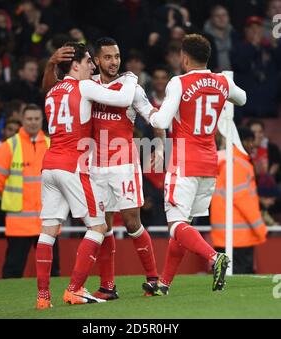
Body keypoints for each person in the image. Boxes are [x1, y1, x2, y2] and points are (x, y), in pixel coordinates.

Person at [143, 34, 246, 296]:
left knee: (176, 224)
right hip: (209, 163)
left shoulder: (179, 82)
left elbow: (162, 121)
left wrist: (148, 111)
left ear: (185, 57)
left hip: (184, 162)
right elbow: (242, 98)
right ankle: (164, 284)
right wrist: (225, 90)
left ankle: (214, 258)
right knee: (184, 224)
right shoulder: (222, 81)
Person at [37, 42, 138, 309]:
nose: (93, 67)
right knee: (99, 227)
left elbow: (48, 86)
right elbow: (124, 99)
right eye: (88, 62)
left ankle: (43, 297)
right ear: (75, 64)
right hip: (73, 165)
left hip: (49, 166)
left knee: (48, 233)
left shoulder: (51, 92)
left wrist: (49, 65)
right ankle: (75, 289)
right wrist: (131, 77)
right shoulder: (83, 86)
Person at [90, 37, 165, 300]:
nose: (114, 62)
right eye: (108, 57)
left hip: (123, 165)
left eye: (117, 57)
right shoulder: (88, 86)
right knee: (104, 225)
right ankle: (108, 286)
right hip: (96, 165)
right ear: (97, 60)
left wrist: (161, 146)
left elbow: (153, 116)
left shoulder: (131, 88)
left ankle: (154, 280)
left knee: (133, 222)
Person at [0, 104, 60, 278]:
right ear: (22, 120)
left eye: (36, 119)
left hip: (47, 219)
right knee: (13, 270)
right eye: (29, 119)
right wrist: (11, 198)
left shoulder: (52, 145)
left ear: (42, 120)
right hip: (20, 222)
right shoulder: (9, 146)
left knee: (53, 270)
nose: (33, 122)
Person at [210, 128, 267, 273]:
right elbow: (242, 199)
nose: (252, 145)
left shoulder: (228, 162)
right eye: (249, 141)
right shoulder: (238, 164)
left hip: (227, 235)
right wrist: (260, 228)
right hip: (239, 237)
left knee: (223, 282)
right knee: (239, 281)